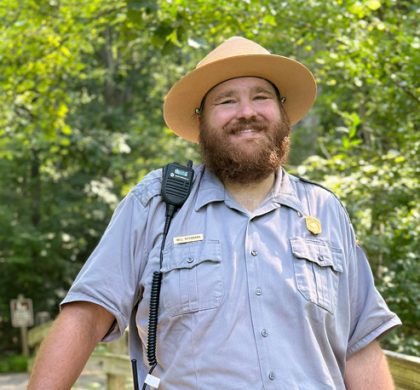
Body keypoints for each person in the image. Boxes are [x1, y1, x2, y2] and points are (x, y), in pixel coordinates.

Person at [28, 37, 401, 389]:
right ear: (201, 120)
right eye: (226, 101)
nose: (247, 112)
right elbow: (85, 317)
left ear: (282, 112)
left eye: (261, 97)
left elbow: (359, 345)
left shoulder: (325, 210)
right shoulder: (156, 203)